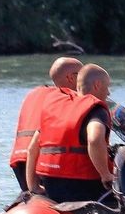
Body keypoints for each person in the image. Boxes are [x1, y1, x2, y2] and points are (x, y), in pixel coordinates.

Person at [25, 64, 116, 202]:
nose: (108, 93)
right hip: (82, 185)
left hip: (51, 184)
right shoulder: (96, 109)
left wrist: (33, 186)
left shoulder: (56, 105)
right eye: (107, 87)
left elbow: (32, 148)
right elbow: (94, 139)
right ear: (97, 85)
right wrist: (106, 175)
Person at [8, 57, 83, 191]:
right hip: (45, 163)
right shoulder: (67, 99)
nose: (85, 79)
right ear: (71, 78)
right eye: (82, 74)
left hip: (19, 161)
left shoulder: (35, 95)